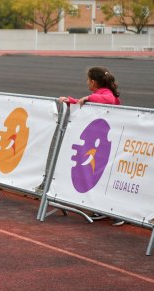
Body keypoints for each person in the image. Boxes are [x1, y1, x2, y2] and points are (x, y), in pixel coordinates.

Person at [59, 66, 123, 226]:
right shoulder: (98, 94)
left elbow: (109, 101)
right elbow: (86, 104)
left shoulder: (105, 94)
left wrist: (87, 98)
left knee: (106, 177)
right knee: (99, 176)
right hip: (100, 143)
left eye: (88, 79)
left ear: (93, 82)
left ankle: (118, 213)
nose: (87, 82)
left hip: (107, 143)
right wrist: (71, 102)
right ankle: (102, 209)